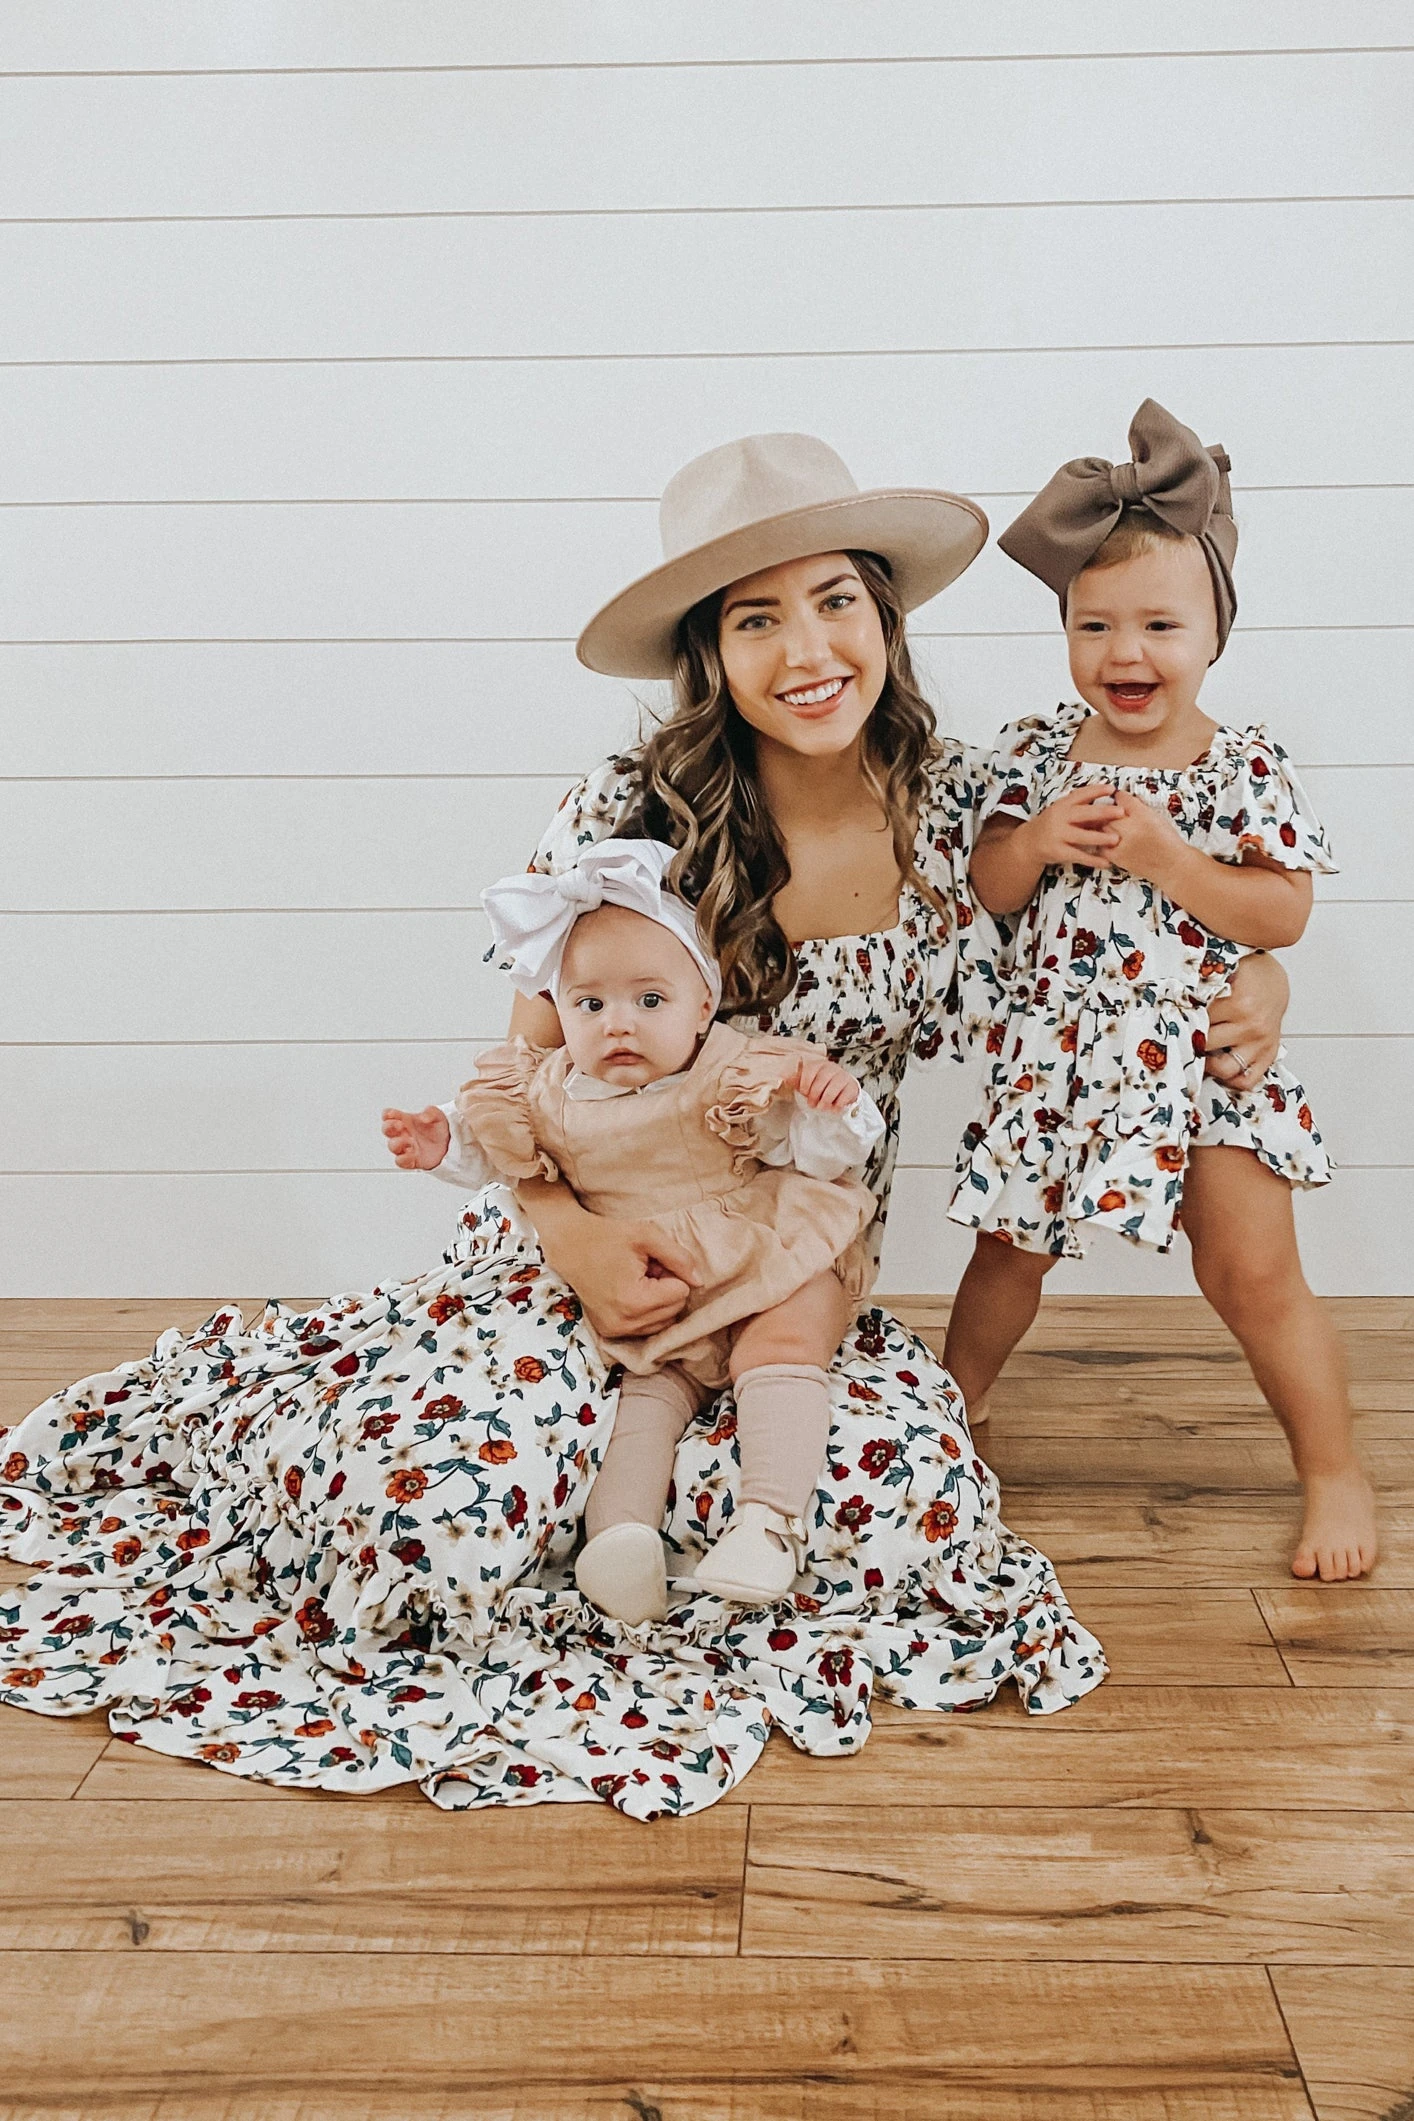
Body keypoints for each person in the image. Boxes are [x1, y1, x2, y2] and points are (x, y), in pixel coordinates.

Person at [0, 432, 1285, 1818]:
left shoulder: (964, 801)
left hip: (792, 1276)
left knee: (893, 1516)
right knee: (435, 1522)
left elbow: (1129, 923)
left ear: (884, 616)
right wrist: (574, 1246)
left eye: (835, 601)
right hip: (587, 1250)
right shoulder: (626, 817)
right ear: (709, 653)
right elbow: (518, 1081)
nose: (807, 650)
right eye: (756, 618)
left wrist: (1261, 977)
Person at [943, 401, 1377, 1583]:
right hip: (1058, 1065)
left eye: (1159, 625)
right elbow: (987, 888)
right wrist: (1035, 841)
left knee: (1251, 1274)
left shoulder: (1239, 766)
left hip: (1202, 1064)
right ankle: (951, 1418)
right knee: (1005, 1256)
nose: (1123, 653)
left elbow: (1279, 913)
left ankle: (1332, 1468)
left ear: (1215, 633)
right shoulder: (1038, 753)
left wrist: (1169, 859)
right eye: (1093, 625)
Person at [382, 836, 887, 1618]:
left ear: (702, 1006)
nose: (619, 1024)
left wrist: (831, 1103)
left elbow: (814, 1149)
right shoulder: (544, 1092)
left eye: (650, 1001)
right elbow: (492, 1146)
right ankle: (619, 1540)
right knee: (646, 1391)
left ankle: (767, 1521)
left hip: (759, 1253)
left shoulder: (729, 1071)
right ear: (560, 1009)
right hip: (655, 1286)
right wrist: (440, 1139)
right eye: (590, 1004)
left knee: (786, 1333)